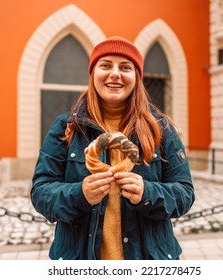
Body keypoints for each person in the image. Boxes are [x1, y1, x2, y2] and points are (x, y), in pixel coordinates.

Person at [30, 36, 195, 260]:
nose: (115, 73)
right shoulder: (66, 127)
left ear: (137, 77)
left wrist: (148, 193)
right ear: (93, 73)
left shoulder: (161, 129)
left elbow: (185, 194)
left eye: (125, 67)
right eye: (105, 65)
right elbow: (40, 192)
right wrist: (80, 194)